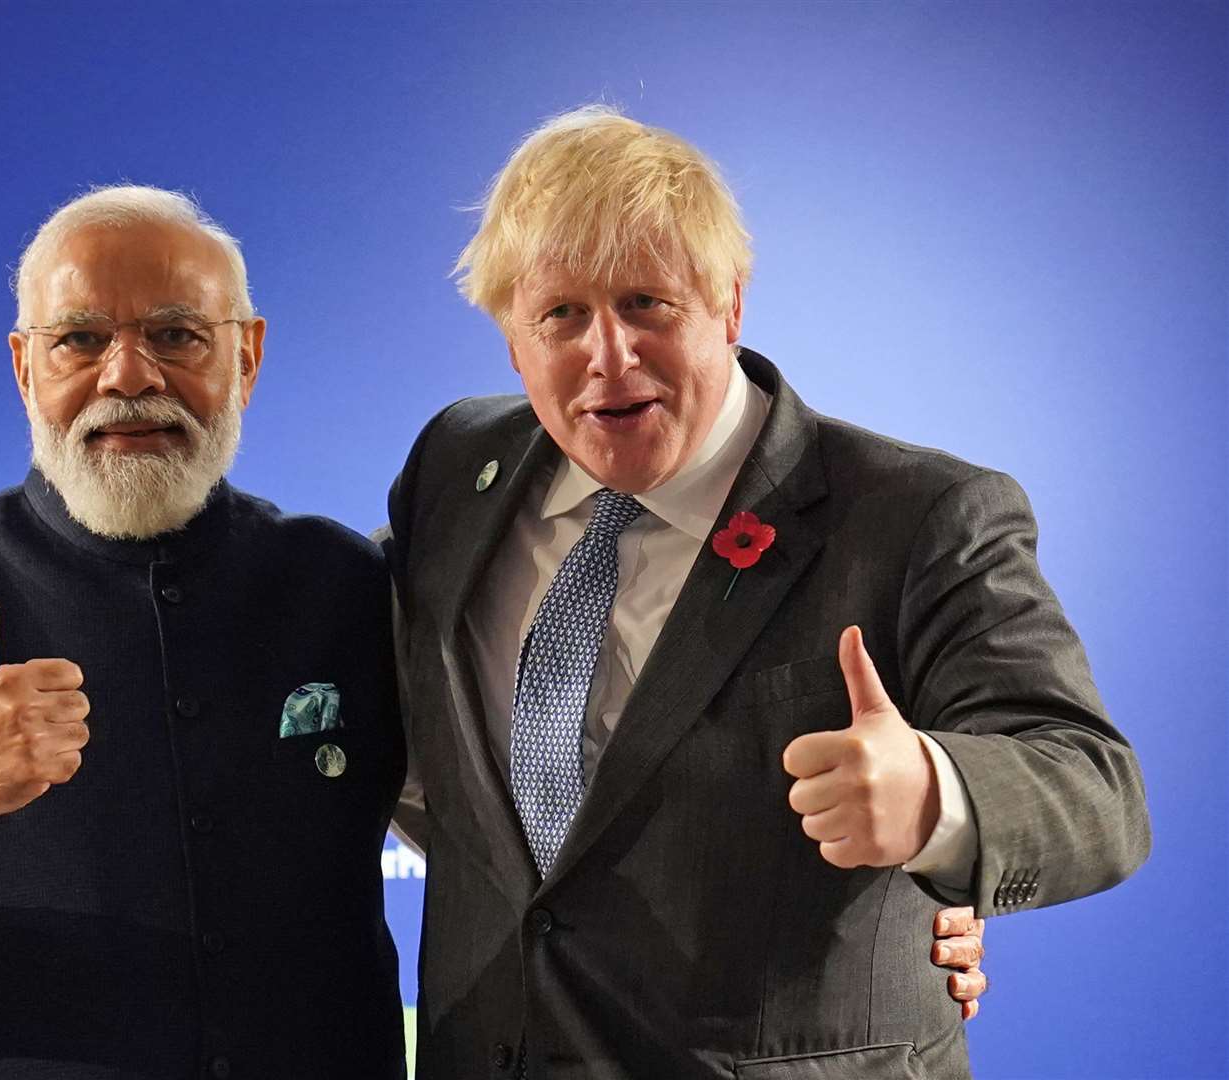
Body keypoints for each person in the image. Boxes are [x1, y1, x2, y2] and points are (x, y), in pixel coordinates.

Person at [383, 107, 1150, 1079]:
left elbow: (1095, 788)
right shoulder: (458, 466)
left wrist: (934, 801)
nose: (606, 354)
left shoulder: (921, 515)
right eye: (561, 315)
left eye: (647, 304)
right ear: (512, 340)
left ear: (729, 304)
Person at [0, 186, 408, 1079]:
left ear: (246, 357)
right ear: (25, 368)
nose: (128, 378)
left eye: (176, 335)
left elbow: (489, 842)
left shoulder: (350, 586)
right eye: (80, 339)